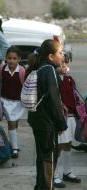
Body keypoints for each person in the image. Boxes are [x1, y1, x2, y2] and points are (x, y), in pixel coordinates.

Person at [27, 40, 68, 190]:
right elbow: (54, 101)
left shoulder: (43, 68)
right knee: (48, 160)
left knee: (42, 157)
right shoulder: (49, 70)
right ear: (51, 56)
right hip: (47, 123)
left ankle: (39, 187)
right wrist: (61, 123)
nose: (62, 55)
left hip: (38, 120)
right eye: (60, 52)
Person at [53, 54, 81, 188]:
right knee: (58, 145)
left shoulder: (69, 79)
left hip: (71, 116)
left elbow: (74, 96)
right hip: (61, 117)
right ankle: (54, 174)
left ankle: (67, 171)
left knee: (68, 143)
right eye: (60, 64)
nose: (63, 66)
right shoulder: (54, 79)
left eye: (65, 63)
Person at [0, 46, 25, 158]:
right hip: (5, 101)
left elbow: (25, 85)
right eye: (9, 58)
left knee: (15, 123)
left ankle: (13, 142)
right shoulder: (2, 68)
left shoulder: (22, 71)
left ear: (19, 59)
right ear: (6, 58)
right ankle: (14, 148)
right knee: (11, 122)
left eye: (14, 58)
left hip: (18, 103)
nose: (11, 60)